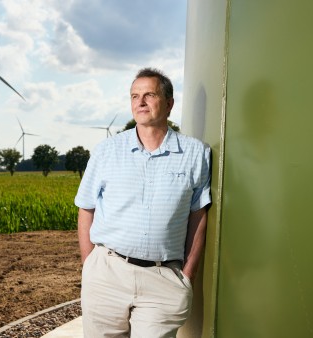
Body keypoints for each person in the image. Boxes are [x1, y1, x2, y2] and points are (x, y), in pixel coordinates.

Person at [74, 67, 211, 338]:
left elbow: (198, 216)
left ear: (169, 104)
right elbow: (86, 207)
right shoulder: (106, 150)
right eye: (135, 96)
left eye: (150, 94)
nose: (140, 101)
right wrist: (89, 265)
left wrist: (187, 275)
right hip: (106, 274)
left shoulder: (196, 153)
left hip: (163, 280)